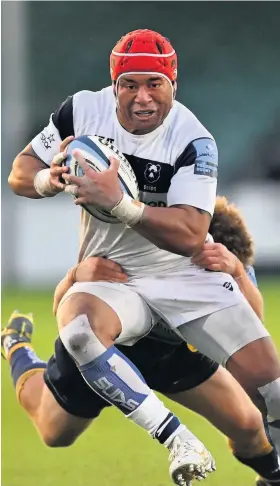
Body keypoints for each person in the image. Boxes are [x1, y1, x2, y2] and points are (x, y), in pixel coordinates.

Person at [7, 28, 280, 484]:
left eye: (155, 84)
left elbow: (192, 236)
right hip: (113, 288)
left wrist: (121, 205)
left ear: (174, 84)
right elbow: (20, 171)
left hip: (177, 297)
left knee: (259, 412)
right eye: (129, 84)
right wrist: (46, 181)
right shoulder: (81, 111)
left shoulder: (194, 140)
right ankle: (16, 347)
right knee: (55, 429)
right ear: (113, 85)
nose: (142, 97)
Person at [2, 196, 279, 486]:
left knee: (248, 425)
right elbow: (64, 310)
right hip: (107, 352)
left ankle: (273, 477)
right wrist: (74, 277)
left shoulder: (226, 258)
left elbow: (252, 327)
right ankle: (17, 347)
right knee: (54, 433)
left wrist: (236, 272)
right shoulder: (134, 254)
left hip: (174, 353)